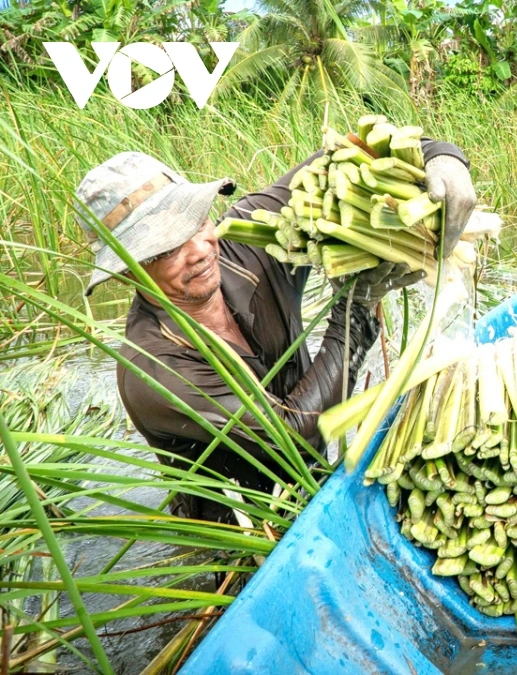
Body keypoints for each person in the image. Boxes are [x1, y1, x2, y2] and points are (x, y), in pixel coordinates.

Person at [74, 139, 477, 522]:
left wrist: (441, 156)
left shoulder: (251, 241)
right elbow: (292, 441)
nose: (198, 250)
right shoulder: (155, 371)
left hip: (314, 476)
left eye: (196, 222)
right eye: (165, 249)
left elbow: (345, 159)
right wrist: (354, 313)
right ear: (127, 272)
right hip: (244, 528)